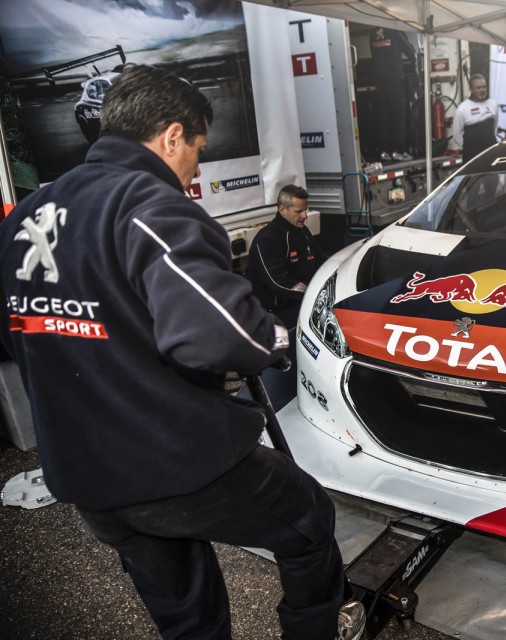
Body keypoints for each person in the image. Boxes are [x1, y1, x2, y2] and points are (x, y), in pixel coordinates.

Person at [0, 64, 364, 640]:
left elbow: (16, 334)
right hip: (167, 459)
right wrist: (270, 339)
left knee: (187, 609)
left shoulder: (26, 214)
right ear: (172, 135)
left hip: (81, 472)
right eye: (197, 147)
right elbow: (220, 335)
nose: (195, 167)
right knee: (307, 518)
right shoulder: (148, 203)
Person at [245, 183, 321, 327]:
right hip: (273, 311)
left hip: (299, 301)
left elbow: (319, 261)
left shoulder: (303, 232)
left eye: (305, 210)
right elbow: (278, 282)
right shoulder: (268, 239)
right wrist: (312, 295)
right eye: (298, 211)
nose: (304, 216)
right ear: (282, 210)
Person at [370, 27, 417, 163]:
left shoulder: (372, 32)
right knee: (399, 113)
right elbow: (410, 52)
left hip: (379, 77)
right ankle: (399, 150)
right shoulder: (395, 30)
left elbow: (373, 53)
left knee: (384, 114)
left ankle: (385, 151)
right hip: (395, 77)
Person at [451, 73, 499, 162]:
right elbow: (457, 134)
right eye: (478, 87)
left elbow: (494, 128)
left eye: (484, 87)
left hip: (491, 154)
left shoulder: (493, 104)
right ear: (471, 89)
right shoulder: (462, 109)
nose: (482, 90)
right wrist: (468, 148)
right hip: (472, 156)